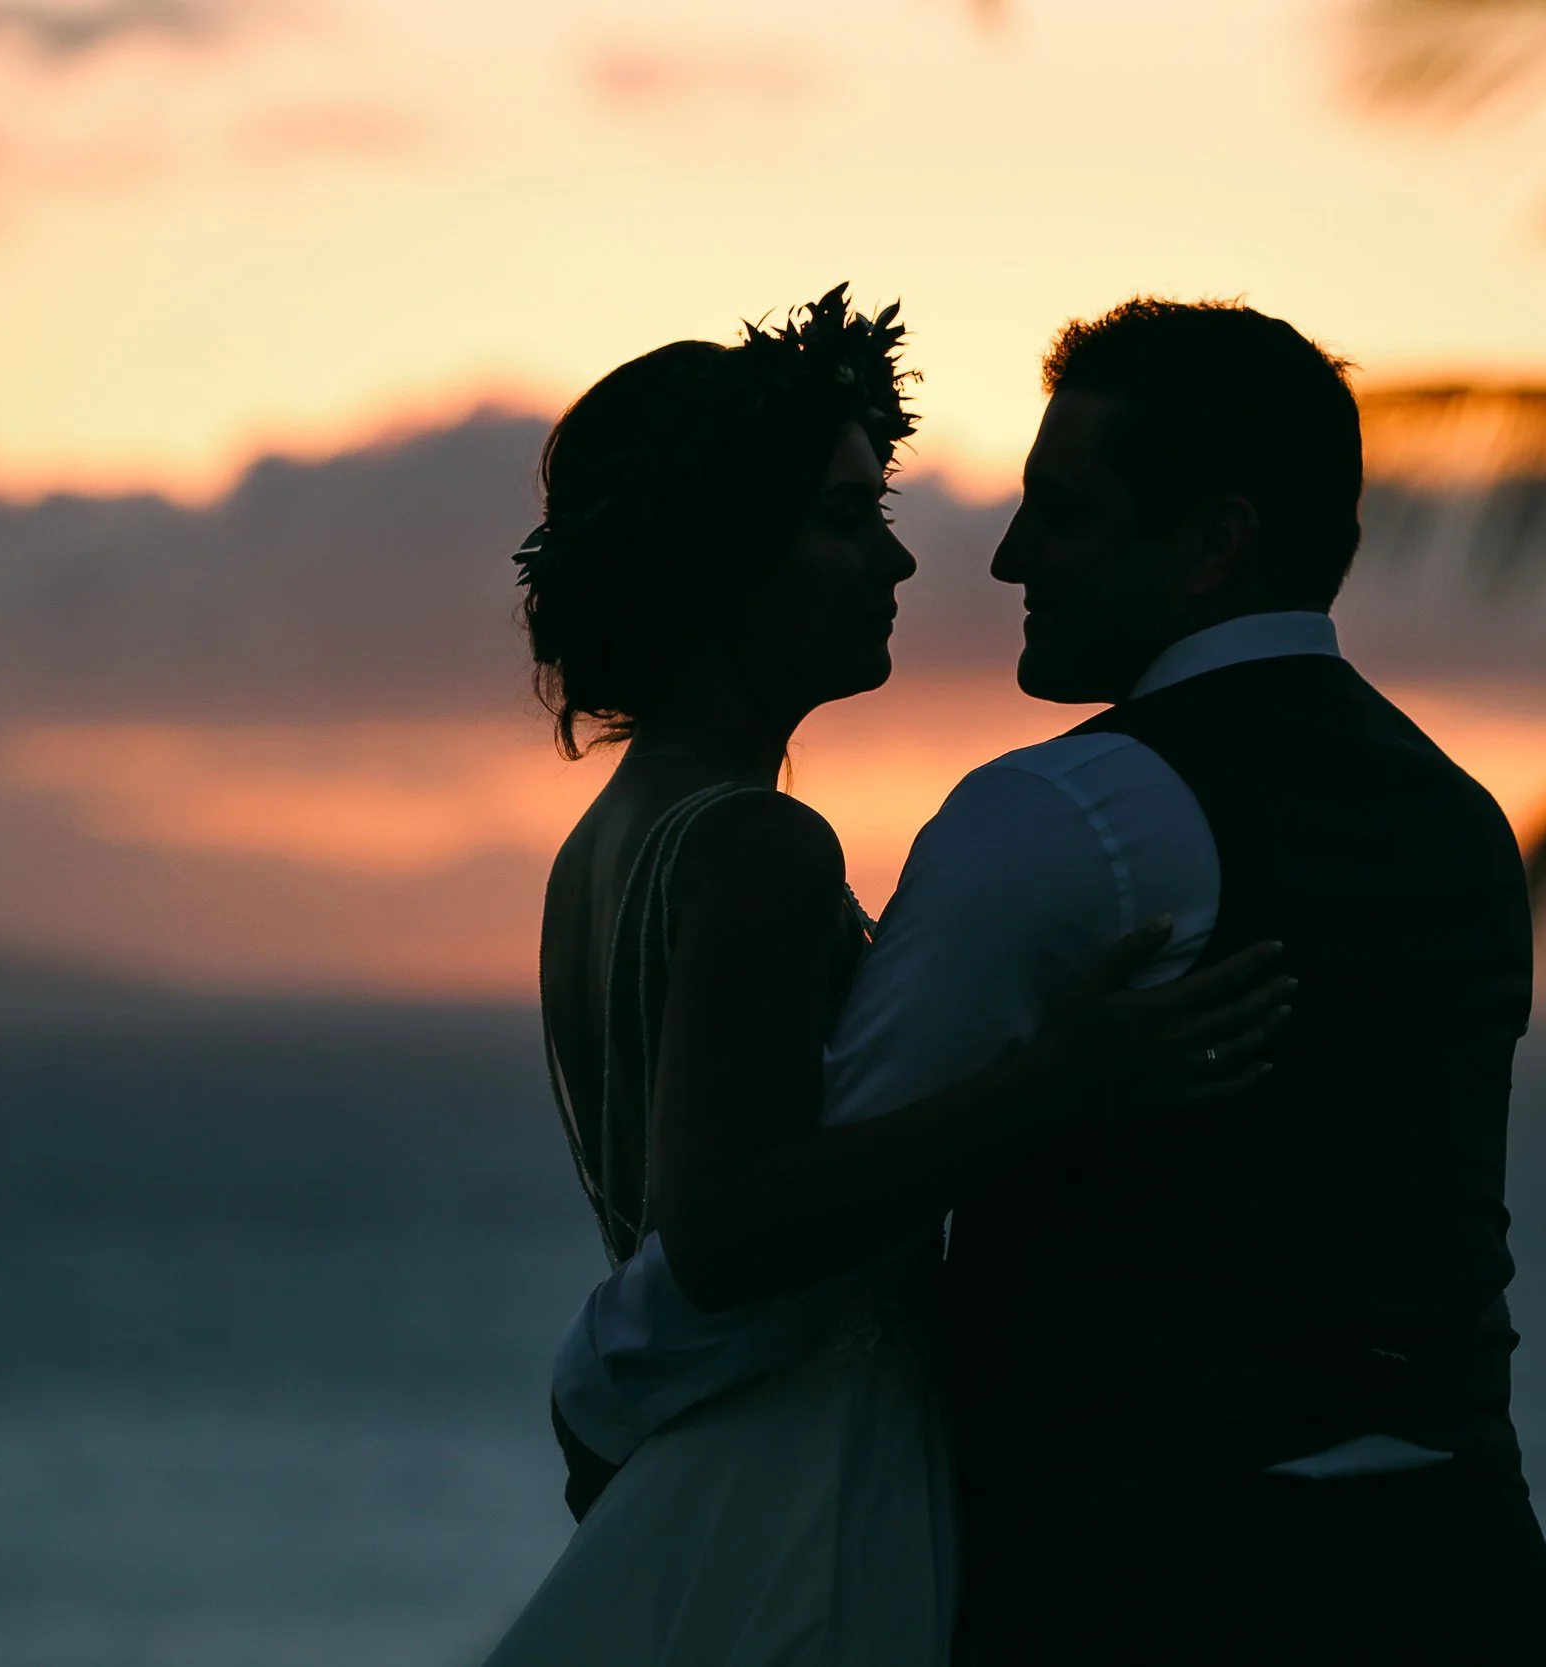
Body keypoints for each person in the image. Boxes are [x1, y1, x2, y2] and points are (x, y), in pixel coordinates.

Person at [478, 286, 1290, 1667]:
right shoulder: (757, 845)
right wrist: (1066, 1080)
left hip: (700, 1454)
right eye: (847, 521)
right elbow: (726, 1225)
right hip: (810, 1464)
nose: (901, 566)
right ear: (723, 565)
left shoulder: (602, 845)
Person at [821, 298, 1546, 1664]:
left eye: (1066, 511)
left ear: (1215, 541)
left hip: (1168, 1580)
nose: (1008, 556)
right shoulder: (1465, 818)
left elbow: (838, 1175)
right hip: (1463, 1561)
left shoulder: (1067, 812)